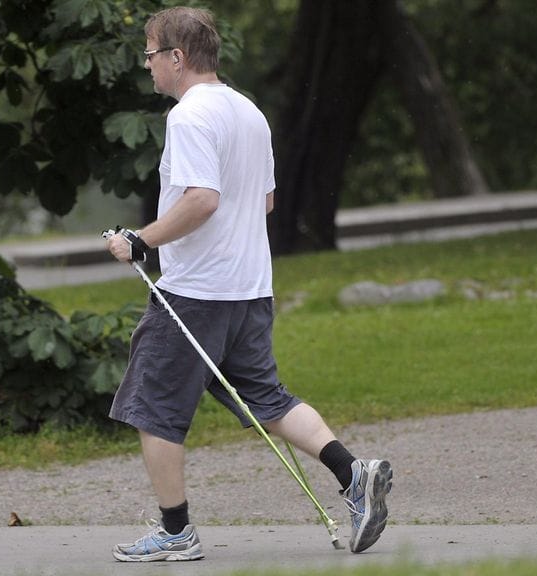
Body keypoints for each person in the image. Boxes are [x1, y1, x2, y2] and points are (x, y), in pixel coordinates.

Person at [103, 6, 393, 562]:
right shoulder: (249, 112)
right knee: (267, 398)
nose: (147, 65)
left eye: (149, 53)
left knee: (153, 406)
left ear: (177, 57)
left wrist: (140, 241)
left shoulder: (189, 117)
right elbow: (264, 201)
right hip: (250, 288)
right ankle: (353, 474)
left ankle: (175, 533)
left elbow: (201, 200)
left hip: (195, 293)